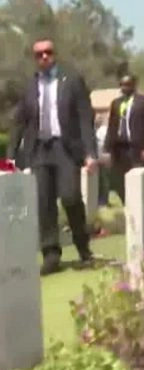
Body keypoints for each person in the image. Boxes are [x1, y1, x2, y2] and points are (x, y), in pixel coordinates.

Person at [7, 38, 99, 274]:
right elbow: (19, 122)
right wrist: (10, 157)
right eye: (39, 54)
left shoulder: (71, 81)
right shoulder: (30, 85)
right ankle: (51, 254)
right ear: (34, 59)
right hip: (39, 150)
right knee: (43, 202)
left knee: (70, 197)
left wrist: (90, 153)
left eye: (48, 52)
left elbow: (84, 118)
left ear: (55, 54)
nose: (44, 57)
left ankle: (83, 247)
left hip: (65, 148)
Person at [105, 74, 144, 204]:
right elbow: (112, 126)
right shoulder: (116, 103)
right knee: (119, 180)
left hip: (138, 148)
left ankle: (140, 206)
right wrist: (107, 149)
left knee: (138, 179)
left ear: (134, 85)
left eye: (127, 84)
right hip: (119, 149)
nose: (124, 87)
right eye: (122, 85)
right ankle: (127, 204)